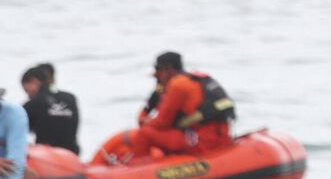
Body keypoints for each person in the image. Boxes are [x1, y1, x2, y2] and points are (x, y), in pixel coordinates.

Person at [95, 51, 236, 164]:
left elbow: (162, 122)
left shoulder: (177, 85)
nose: (157, 77)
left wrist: (145, 121)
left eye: (158, 72)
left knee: (145, 133)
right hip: (220, 136)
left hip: (201, 143)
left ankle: (138, 169)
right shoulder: (196, 80)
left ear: (168, 70)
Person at [21, 64, 81, 153]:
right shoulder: (70, 98)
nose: (28, 95)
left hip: (47, 156)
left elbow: (17, 129)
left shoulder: (33, 103)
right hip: (72, 153)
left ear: (34, 81)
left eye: (26, 90)